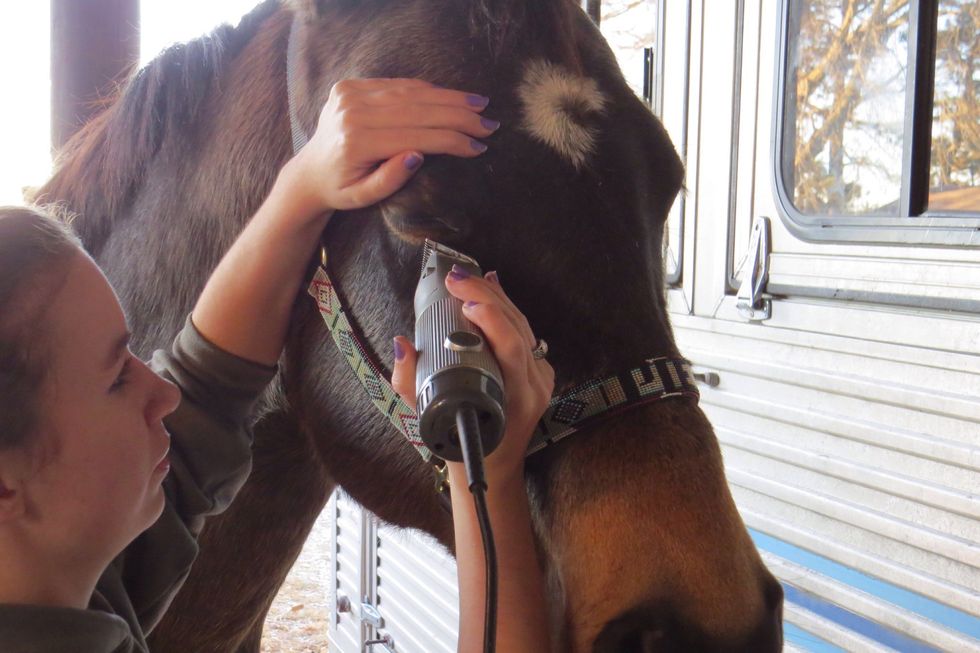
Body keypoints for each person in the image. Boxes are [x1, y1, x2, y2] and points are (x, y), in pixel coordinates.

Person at [0, 79, 552, 653]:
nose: (162, 395)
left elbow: (205, 385)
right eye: (116, 378)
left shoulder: (57, 572)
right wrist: (490, 484)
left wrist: (304, 186)